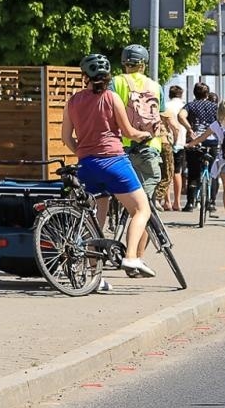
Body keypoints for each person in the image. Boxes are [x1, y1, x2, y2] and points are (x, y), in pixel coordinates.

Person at [61, 54, 154, 287]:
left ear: (85, 77)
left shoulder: (72, 102)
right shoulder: (111, 98)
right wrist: (146, 134)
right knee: (142, 209)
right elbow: (129, 132)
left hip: (87, 166)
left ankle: (95, 279)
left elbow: (65, 137)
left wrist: (82, 152)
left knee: (95, 223)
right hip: (114, 162)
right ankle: (132, 257)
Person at [110, 44, 165, 205]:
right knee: (147, 191)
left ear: (124, 63)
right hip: (151, 144)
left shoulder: (116, 82)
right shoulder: (155, 86)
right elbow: (160, 113)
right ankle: (140, 219)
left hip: (124, 144)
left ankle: (122, 212)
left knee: (124, 186)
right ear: (143, 64)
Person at [180, 82, 220, 213]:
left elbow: (181, 116)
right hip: (212, 142)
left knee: (193, 173)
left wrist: (190, 129)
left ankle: (190, 203)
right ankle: (212, 202)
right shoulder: (214, 107)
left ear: (194, 93)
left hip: (195, 142)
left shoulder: (191, 105)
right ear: (207, 94)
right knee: (213, 172)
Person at [163, 84, 187, 212]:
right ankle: (177, 202)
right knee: (178, 172)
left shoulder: (166, 106)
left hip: (167, 141)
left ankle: (167, 201)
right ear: (181, 94)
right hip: (181, 142)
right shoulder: (184, 106)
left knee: (167, 172)